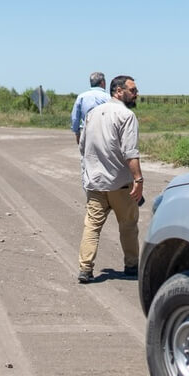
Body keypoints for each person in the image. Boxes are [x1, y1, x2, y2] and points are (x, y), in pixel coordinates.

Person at [77, 75, 143, 284]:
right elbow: (130, 153)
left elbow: (82, 146)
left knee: (92, 226)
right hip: (120, 184)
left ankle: (85, 269)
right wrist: (138, 180)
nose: (136, 94)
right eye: (132, 90)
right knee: (128, 225)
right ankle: (132, 266)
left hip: (95, 182)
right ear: (118, 91)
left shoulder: (92, 114)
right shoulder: (126, 115)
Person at [70, 72, 109, 144]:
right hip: (104, 134)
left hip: (86, 133)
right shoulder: (108, 97)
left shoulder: (81, 97)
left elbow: (75, 117)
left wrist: (77, 132)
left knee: (86, 154)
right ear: (102, 82)